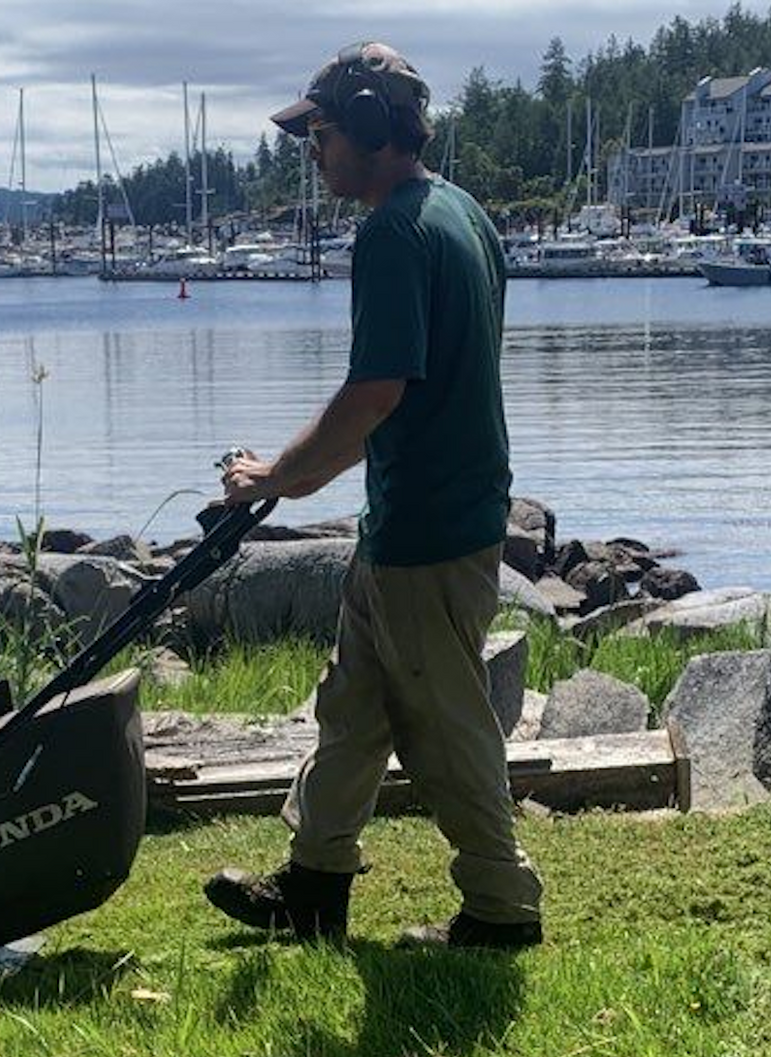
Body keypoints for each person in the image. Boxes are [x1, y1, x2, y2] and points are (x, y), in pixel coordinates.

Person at [202, 41, 543, 949]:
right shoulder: (461, 213)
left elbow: (375, 395)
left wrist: (272, 479)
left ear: (367, 124)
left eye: (318, 133)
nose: (310, 152)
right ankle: (314, 887)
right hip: (423, 517)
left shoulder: (394, 231)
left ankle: (502, 908)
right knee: (352, 704)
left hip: (429, 528)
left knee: (448, 723)